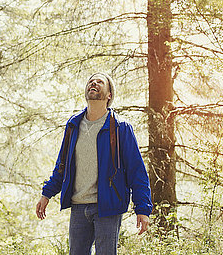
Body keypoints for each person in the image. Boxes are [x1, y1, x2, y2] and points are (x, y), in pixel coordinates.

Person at [35, 72, 152, 255]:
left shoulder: (121, 127)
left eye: (99, 82)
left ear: (109, 95)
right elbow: (62, 165)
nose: (94, 83)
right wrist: (46, 194)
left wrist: (142, 209)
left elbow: (136, 171)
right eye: (91, 81)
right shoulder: (73, 125)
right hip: (78, 206)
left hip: (108, 207)